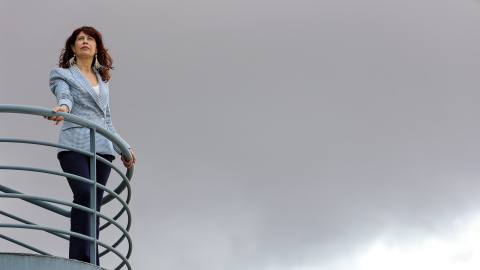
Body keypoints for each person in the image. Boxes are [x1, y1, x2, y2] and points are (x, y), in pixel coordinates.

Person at [45, 26, 136, 265]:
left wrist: (123, 148)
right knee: (84, 193)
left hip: (103, 148)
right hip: (74, 143)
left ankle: (91, 260)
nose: (85, 41)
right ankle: (79, 258)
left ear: (97, 47)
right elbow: (65, 97)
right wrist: (63, 109)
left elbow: (107, 120)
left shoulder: (103, 82)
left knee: (93, 203)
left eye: (90, 39)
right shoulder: (61, 74)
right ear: (73, 48)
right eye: (80, 39)